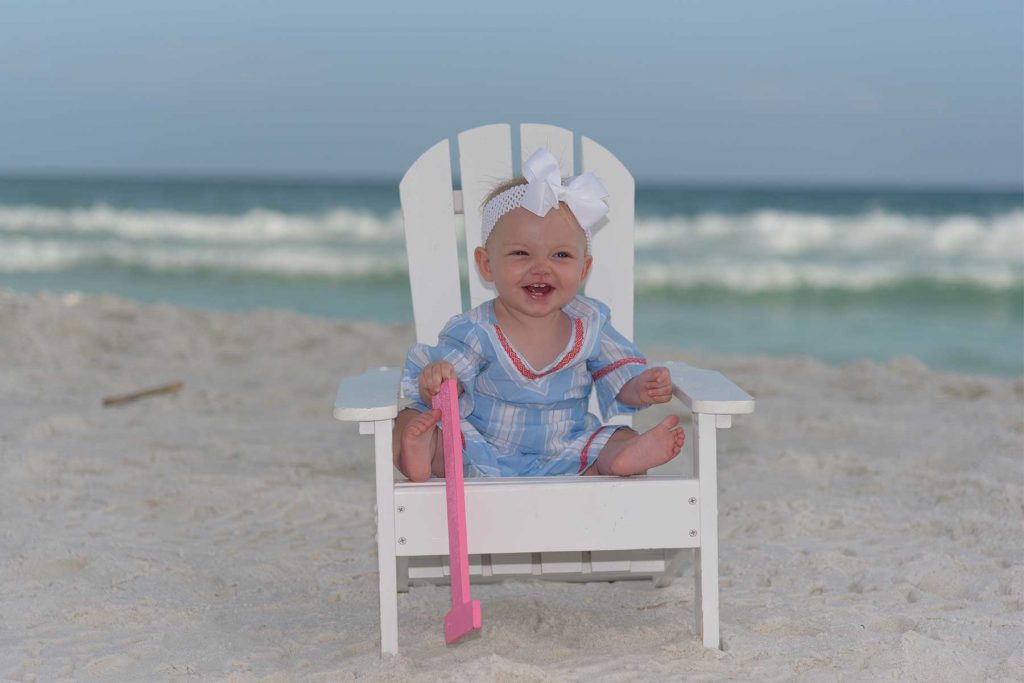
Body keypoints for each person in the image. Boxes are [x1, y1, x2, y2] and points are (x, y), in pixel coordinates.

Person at [394, 149, 684, 481]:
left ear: (583, 268)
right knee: (411, 422)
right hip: (482, 454)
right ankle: (421, 454)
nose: (541, 268)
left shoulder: (590, 325)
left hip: (567, 451)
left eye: (561, 255)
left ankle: (624, 456)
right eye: (521, 253)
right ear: (487, 265)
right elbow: (447, 386)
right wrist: (437, 380)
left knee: (617, 438)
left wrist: (639, 387)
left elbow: (618, 381)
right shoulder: (476, 330)